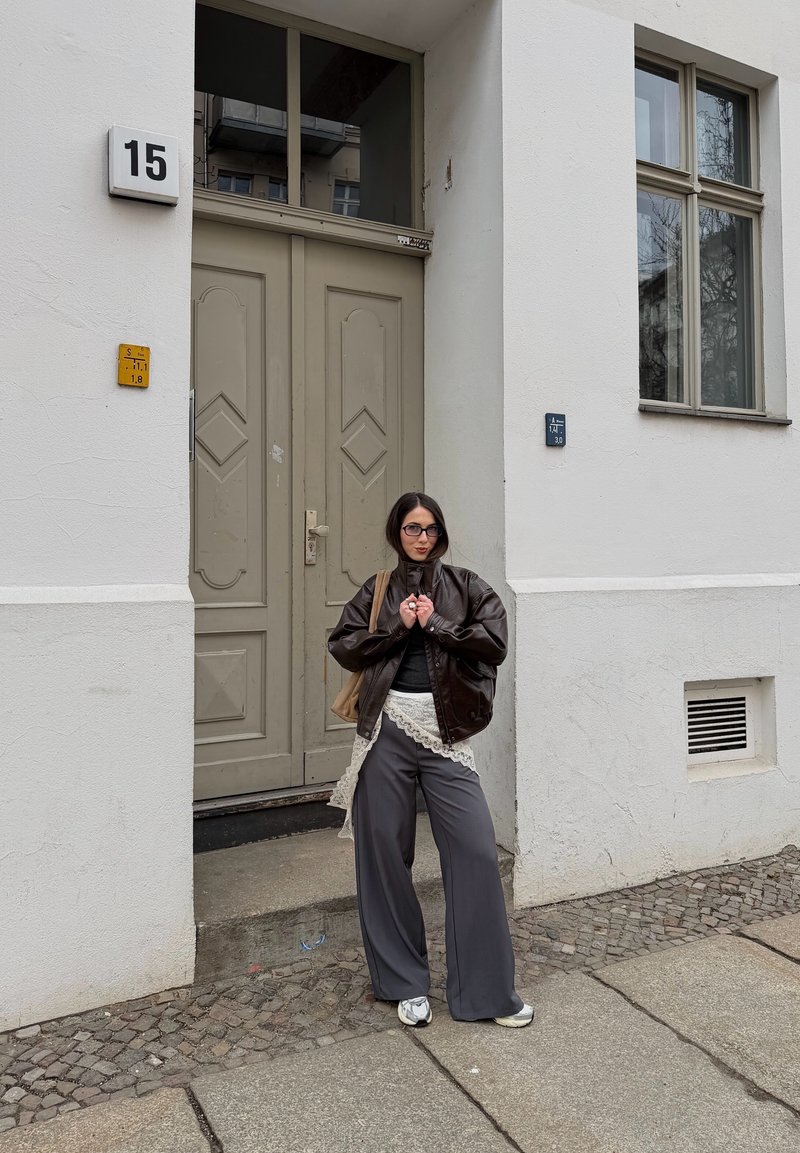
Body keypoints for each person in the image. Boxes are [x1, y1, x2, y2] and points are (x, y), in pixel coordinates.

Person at [328, 492, 533, 1029]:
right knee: (383, 856)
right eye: (413, 528)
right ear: (396, 532)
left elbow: (494, 644)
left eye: (432, 528)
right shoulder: (375, 588)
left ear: (441, 535)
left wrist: (436, 624)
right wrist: (397, 627)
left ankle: (486, 995)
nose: (423, 537)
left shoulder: (467, 586)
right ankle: (402, 983)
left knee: (475, 853)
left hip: (444, 735)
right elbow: (344, 646)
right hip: (387, 730)